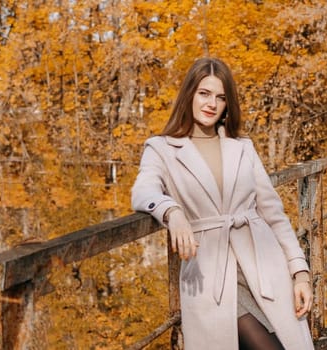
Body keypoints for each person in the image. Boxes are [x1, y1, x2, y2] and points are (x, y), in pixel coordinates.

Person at [131, 57, 314, 349]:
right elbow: (143, 191)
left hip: (264, 267)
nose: (211, 104)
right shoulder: (162, 148)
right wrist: (172, 212)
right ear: (189, 94)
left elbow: (274, 214)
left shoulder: (242, 147)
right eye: (204, 93)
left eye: (220, 97)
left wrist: (300, 272)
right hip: (212, 275)